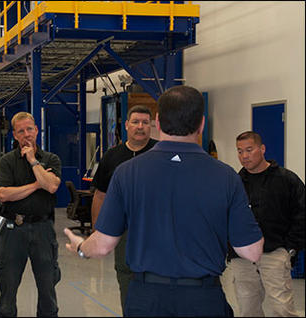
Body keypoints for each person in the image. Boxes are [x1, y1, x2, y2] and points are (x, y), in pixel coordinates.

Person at [64, 85, 264, 317]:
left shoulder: (127, 172)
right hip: (203, 298)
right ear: (201, 124)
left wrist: (80, 247)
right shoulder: (226, 176)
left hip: (146, 298)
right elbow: (251, 252)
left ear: (157, 123)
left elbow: (103, 245)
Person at [228, 131, 305, 317]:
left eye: (249, 150)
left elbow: (302, 214)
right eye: (239, 151)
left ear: (262, 149)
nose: (244, 156)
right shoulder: (233, 183)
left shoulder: (286, 180)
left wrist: (290, 249)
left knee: (282, 310)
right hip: (242, 258)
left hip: (275, 254)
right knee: (248, 310)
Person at [0, 111, 62, 317]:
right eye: (21, 131)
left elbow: (51, 187)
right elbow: (4, 194)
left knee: (48, 288)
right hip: (13, 231)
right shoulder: (7, 161)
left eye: (29, 129)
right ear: (14, 135)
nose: (26, 134)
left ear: (37, 130)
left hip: (43, 230)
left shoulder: (51, 159)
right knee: (8, 288)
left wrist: (33, 160)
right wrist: (36, 184)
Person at [91, 104, 157, 313]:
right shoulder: (112, 156)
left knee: (158, 277)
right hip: (125, 230)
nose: (140, 126)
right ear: (126, 125)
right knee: (126, 276)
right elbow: (100, 195)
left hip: (157, 230)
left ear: (151, 126)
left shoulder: (161, 152)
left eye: (145, 123)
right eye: (136, 122)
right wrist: (97, 231)